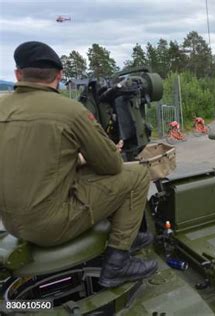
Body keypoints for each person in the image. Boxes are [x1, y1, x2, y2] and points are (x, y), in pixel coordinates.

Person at [0, 41, 158, 288]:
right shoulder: (70, 111)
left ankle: (127, 235)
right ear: (60, 76)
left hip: (12, 222)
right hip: (50, 226)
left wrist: (77, 159)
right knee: (137, 174)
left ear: (18, 74)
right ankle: (117, 264)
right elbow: (111, 167)